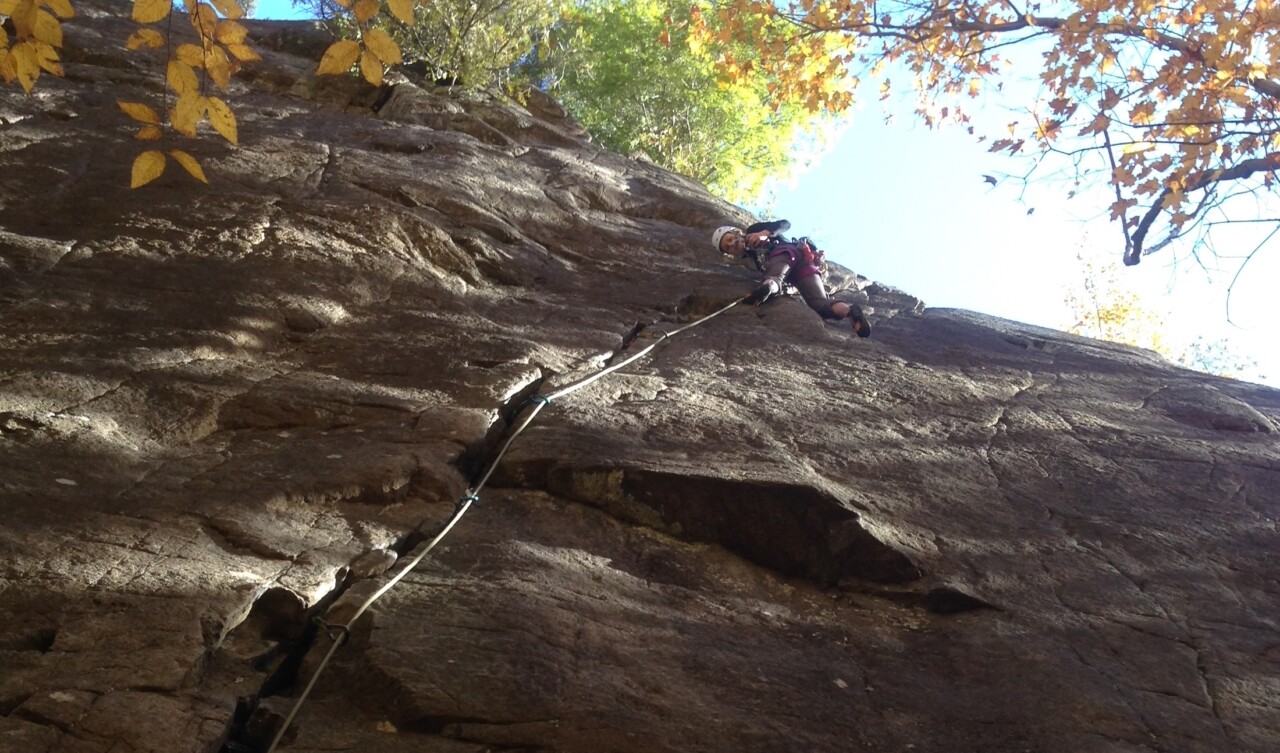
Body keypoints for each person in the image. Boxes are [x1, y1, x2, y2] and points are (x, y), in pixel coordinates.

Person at [712, 220, 871, 338]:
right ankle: (850, 312)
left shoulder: (753, 231)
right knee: (820, 304)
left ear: (736, 232)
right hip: (801, 270)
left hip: (786, 252)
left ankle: (768, 288)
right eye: (727, 246)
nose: (732, 244)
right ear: (729, 254)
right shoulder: (750, 259)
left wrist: (764, 234)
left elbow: (785, 224)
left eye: (730, 238)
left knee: (774, 277)